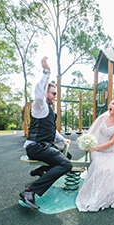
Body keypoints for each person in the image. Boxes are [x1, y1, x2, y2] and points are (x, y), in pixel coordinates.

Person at [19, 56, 72, 209]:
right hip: (36, 147)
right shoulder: (39, 105)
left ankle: (42, 169)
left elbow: (51, 128)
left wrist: (62, 139)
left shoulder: (48, 110)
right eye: (53, 93)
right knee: (66, 164)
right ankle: (30, 191)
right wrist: (46, 72)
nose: (55, 96)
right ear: (46, 93)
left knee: (67, 155)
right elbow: (38, 93)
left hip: (45, 146)